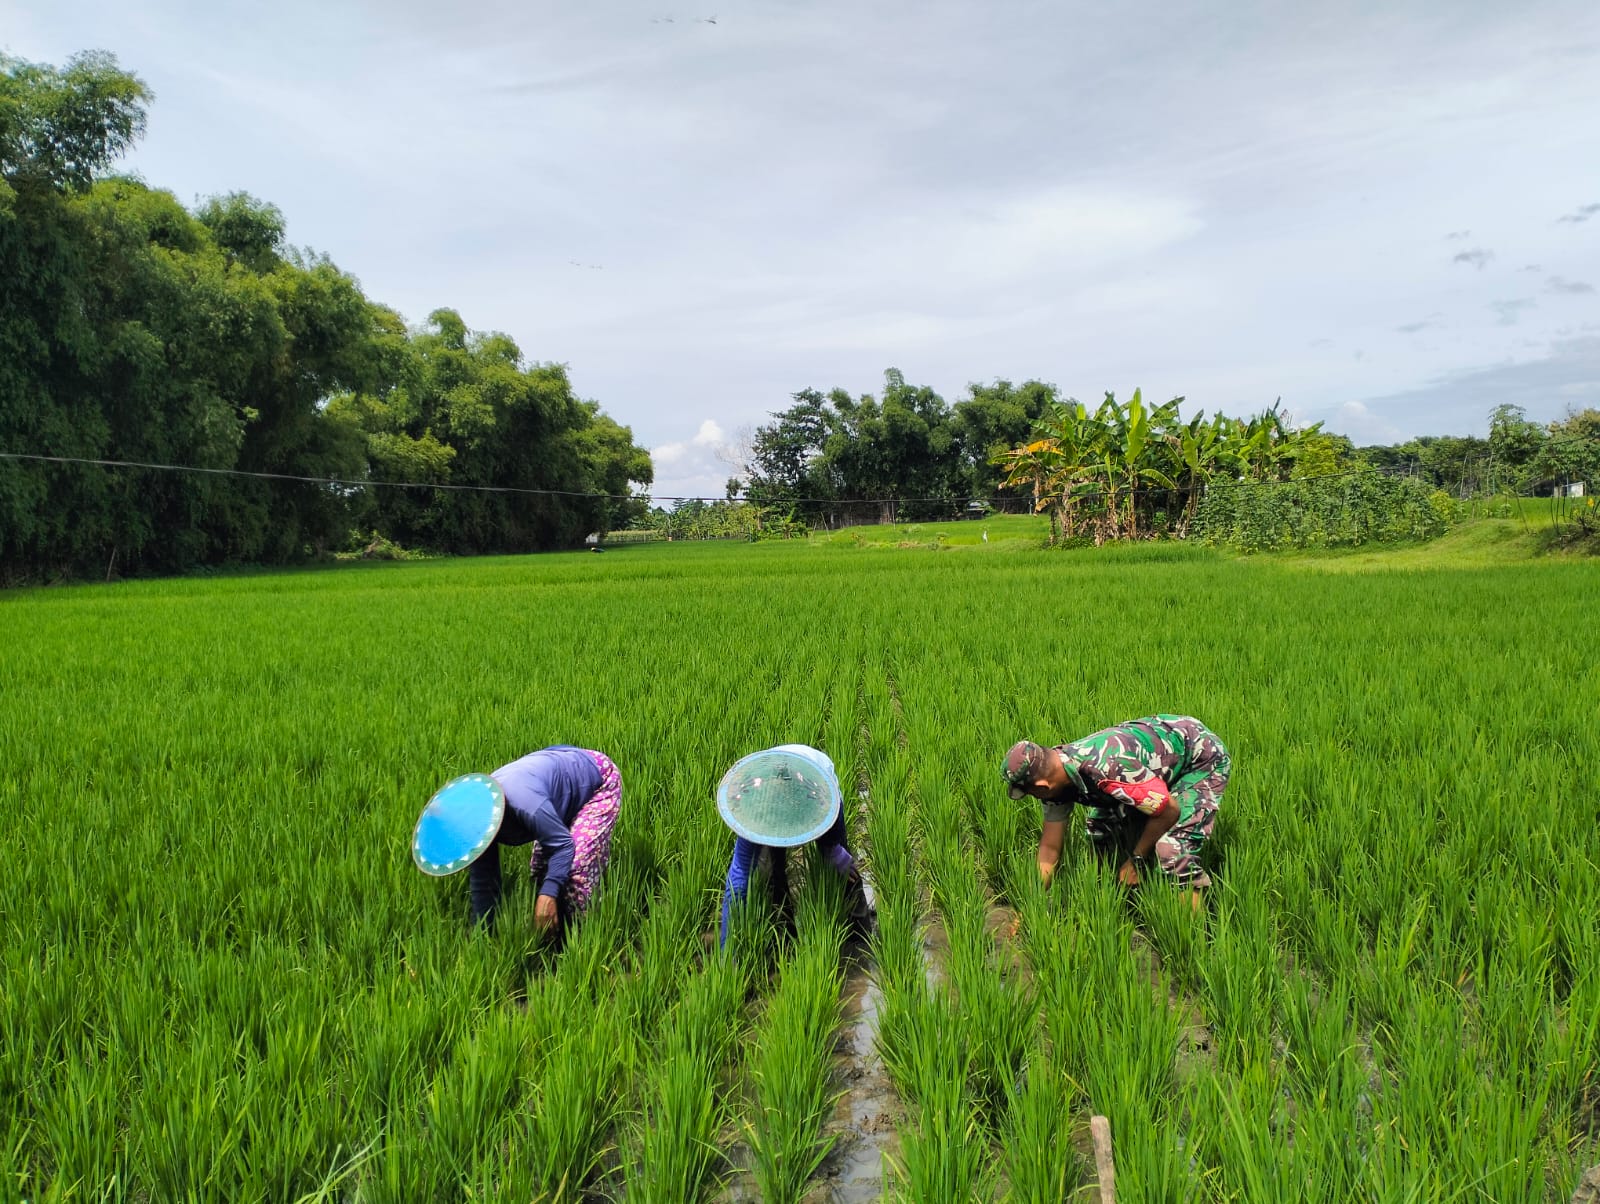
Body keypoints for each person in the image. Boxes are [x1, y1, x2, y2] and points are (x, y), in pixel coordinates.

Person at [1001, 715, 1228, 897]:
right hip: (1148, 767)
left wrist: (1137, 860)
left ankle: (1192, 935)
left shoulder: (1108, 769)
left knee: (1172, 851)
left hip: (1197, 755)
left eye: (1029, 793)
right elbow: (1050, 848)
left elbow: (1169, 811)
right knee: (1099, 830)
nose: (1033, 797)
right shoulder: (1053, 780)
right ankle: (1111, 893)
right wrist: (1030, 904)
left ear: (1041, 787)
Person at [412, 744, 623, 934]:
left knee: (576, 868)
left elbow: (563, 847)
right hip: (554, 784)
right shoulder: (477, 823)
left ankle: (582, 935)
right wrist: (481, 935)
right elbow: (483, 881)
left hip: (598, 780)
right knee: (541, 870)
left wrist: (548, 895)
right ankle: (550, 928)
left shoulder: (526, 805)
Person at [716, 743, 871, 948]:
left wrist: (833, 849)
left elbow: (831, 831)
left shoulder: (822, 796)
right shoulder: (754, 811)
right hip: (767, 777)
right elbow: (738, 878)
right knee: (774, 870)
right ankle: (785, 931)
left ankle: (859, 926)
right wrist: (726, 949)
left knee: (841, 863)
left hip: (814, 779)